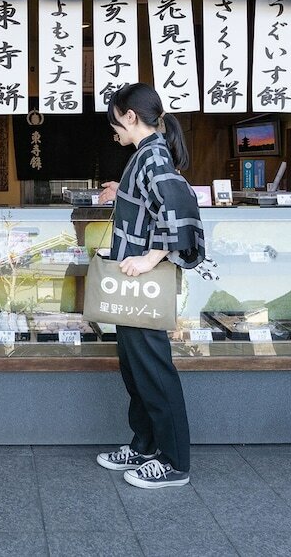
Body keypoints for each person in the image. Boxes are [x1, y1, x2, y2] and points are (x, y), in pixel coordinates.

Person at [94, 83, 205, 489]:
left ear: (129, 116)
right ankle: (144, 446)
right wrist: (119, 190)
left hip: (143, 283)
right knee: (137, 370)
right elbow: (153, 202)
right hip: (133, 286)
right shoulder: (145, 154)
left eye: (115, 121)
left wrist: (152, 256)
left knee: (153, 372)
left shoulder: (153, 154)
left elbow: (179, 206)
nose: (114, 130)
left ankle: (174, 462)